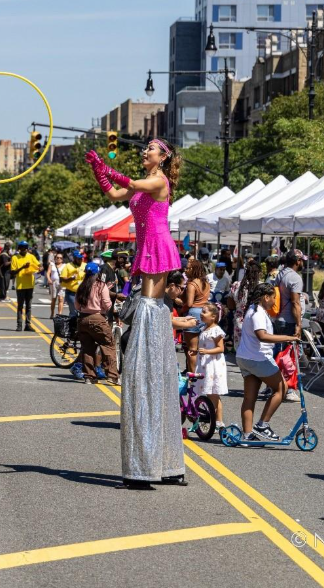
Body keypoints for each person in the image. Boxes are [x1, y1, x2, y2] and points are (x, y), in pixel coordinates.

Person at [87, 139, 186, 489]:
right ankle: (163, 461)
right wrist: (100, 172)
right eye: (144, 149)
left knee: (148, 308)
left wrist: (109, 168)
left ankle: (153, 463)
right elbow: (116, 195)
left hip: (157, 244)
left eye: (150, 149)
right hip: (145, 244)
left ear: (163, 157)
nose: (145, 152)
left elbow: (129, 184)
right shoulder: (146, 183)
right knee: (147, 309)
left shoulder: (158, 182)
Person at [235, 282, 299, 442]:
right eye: (273, 298)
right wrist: (288, 337)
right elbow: (262, 336)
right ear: (266, 297)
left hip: (246, 358)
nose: (275, 302)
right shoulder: (257, 313)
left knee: (250, 397)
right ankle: (262, 425)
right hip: (257, 358)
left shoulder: (254, 310)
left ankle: (247, 435)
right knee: (281, 388)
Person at [74, 262, 119, 385]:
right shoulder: (100, 285)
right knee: (108, 344)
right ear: (97, 273)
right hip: (98, 318)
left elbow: (77, 306)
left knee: (87, 348)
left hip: (82, 320)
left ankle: (89, 376)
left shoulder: (81, 286)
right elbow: (107, 303)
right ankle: (112, 375)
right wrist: (105, 308)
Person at [274, 250, 305, 402]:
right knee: (290, 355)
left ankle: (274, 385)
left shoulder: (280, 274)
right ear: (297, 261)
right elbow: (295, 302)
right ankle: (288, 389)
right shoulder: (294, 277)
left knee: (278, 353)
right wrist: (299, 324)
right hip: (289, 321)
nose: (303, 263)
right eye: (302, 260)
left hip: (278, 318)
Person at [195, 304, 228, 430]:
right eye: (202, 311)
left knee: (214, 394)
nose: (201, 314)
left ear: (213, 317)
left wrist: (207, 352)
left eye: (204, 312)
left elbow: (221, 348)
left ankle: (218, 421)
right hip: (205, 364)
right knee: (210, 393)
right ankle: (215, 420)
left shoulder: (216, 330)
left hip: (213, 364)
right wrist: (196, 351)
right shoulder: (204, 328)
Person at [182, 259, 211, 373]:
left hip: (193, 314)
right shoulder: (206, 283)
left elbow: (189, 303)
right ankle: (202, 373)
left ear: (194, 269)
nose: (186, 270)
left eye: (188, 268)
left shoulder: (192, 284)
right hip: (205, 313)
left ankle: (193, 376)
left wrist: (181, 307)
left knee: (192, 349)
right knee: (201, 347)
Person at [228, 260, 261, 348]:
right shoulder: (261, 286)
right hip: (256, 322)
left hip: (240, 321)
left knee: (240, 348)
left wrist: (239, 307)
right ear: (259, 273)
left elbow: (230, 304)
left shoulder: (236, 285)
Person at [11, 241, 40, 331]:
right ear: (19, 248)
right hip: (20, 286)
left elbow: (39, 265)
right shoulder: (15, 258)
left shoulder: (31, 256)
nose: (25, 250)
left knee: (29, 306)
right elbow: (13, 272)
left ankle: (27, 325)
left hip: (30, 285)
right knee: (20, 306)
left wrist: (37, 269)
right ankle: (19, 325)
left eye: (26, 248)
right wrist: (23, 267)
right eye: (23, 248)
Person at [60, 250, 85, 318]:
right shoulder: (68, 266)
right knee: (74, 312)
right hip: (71, 293)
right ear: (74, 258)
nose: (80, 260)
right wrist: (72, 278)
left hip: (82, 293)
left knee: (82, 312)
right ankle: (72, 327)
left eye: (81, 258)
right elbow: (63, 279)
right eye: (78, 258)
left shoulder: (85, 265)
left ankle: (79, 327)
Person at [47, 253, 64, 318]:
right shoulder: (52, 264)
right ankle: (52, 313)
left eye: (60, 258)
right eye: (57, 257)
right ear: (55, 258)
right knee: (54, 299)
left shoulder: (64, 265)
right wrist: (49, 279)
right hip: (53, 283)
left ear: (62, 259)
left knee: (61, 299)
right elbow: (48, 273)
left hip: (62, 283)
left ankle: (59, 314)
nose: (59, 259)